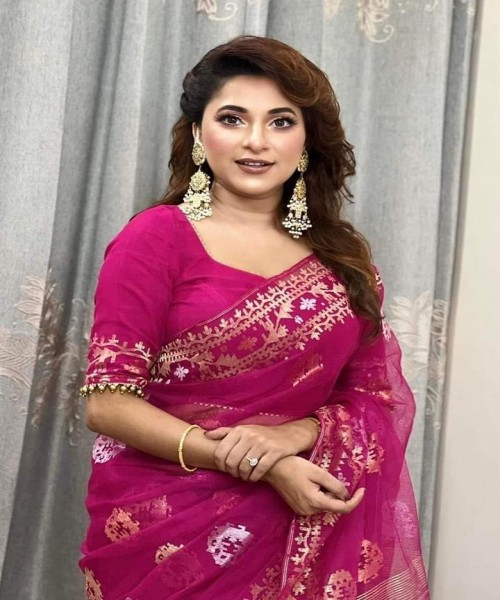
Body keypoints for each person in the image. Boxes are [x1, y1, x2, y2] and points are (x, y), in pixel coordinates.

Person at [78, 36, 430, 599]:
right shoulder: (156, 238)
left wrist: (295, 434)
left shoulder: (343, 263)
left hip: (305, 514)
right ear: (198, 134)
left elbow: (371, 398)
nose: (256, 141)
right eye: (233, 118)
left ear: (306, 139)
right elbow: (108, 402)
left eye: (281, 121)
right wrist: (261, 465)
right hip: (169, 527)